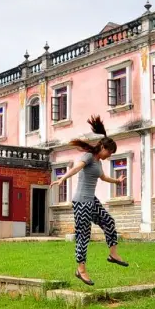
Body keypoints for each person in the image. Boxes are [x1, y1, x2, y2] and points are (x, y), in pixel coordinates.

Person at [51, 115, 128, 286]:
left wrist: (116, 181)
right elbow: (77, 168)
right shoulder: (88, 157)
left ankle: (113, 254)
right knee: (83, 235)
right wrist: (63, 178)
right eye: (109, 152)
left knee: (109, 221)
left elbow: (102, 177)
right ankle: (81, 269)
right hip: (81, 202)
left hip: (91, 200)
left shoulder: (98, 162)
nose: (110, 155)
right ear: (103, 147)